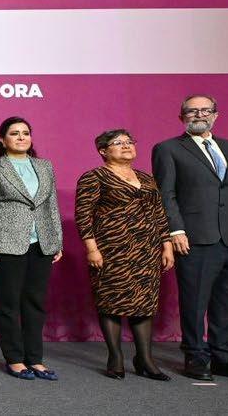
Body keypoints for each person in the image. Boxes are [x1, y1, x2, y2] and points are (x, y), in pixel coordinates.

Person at [151, 94, 228, 382]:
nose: (199, 115)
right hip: (195, 237)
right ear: (182, 117)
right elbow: (165, 193)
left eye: (205, 110)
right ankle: (195, 355)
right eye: (192, 111)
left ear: (216, 115)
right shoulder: (168, 148)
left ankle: (224, 357)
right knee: (195, 300)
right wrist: (175, 230)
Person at [77, 129, 174, 380]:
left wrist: (166, 244)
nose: (126, 145)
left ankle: (145, 359)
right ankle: (115, 357)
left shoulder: (146, 178)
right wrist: (91, 249)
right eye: (118, 143)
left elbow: (159, 213)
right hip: (112, 249)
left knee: (144, 303)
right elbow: (83, 216)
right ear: (103, 151)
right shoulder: (94, 177)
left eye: (129, 142)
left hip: (147, 250)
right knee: (111, 301)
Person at [0, 117, 63, 380]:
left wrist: (57, 240)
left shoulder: (45, 166)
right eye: (14, 133)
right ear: (3, 140)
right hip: (6, 243)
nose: (21, 137)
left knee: (35, 303)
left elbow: (52, 206)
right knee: (9, 303)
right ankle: (14, 359)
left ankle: (35, 359)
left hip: (42, 243)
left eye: (25, 133)